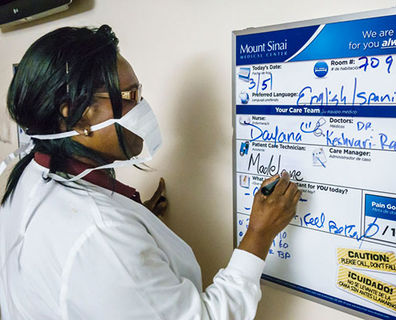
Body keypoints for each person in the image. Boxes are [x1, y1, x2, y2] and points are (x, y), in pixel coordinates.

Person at [0, 25, 301, 319]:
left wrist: (136, 217)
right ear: (76, 115)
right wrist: (259, 234)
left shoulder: (34, 171)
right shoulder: (103, 235)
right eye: (130, 97)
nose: (143, 107)